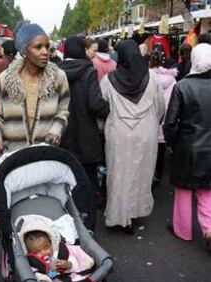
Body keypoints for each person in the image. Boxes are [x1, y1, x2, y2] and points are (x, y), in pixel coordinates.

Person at [100, 40, 165, 233]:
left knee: (119, 175)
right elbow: (160, 106)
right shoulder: (152, 78)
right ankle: (135, 212)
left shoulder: (108, 80)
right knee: (141, 175)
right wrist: (153, 124)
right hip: (146, 132)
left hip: (118, 133)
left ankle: (121, 216)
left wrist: (105, 128)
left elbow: (102, 108)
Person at [0, 23, 69, 154]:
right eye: (38, 47)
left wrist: (56, 132)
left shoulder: (58, 77)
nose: (45, 52)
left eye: (47, 46)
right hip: (13, 156)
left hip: (46, 155)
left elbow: (62, 112)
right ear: (24, 51)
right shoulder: (6, 79)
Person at [58, 36, 110, 231]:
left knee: (64, 182)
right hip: (87, 137)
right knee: (87, 183)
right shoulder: (88, 71)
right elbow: (96, 104)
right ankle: (87, 225)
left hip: (62, 135)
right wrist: (109, 110)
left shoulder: (55, 72)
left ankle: (66, 226)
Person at [163, 43, 211, 251]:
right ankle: (209, 229)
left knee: (183, 191)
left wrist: (173, 143)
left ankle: (182, 230)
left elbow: (170, 122)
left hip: (187, 147)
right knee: (207, 191)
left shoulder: (182, 86)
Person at [19, 216, 101, 282]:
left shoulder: (59, 252)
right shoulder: (32, 263)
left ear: (51, 243)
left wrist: (68, 264)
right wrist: (50, 271)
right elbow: (37, 279)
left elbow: (76, 263)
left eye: (46, 247)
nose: (43, 252)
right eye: (37, 252)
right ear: (29, 253)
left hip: (71, 281)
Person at [150, 48, 177, 187]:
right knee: (161, 148)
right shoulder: (172, 79)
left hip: (151, 116)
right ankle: (159, 175)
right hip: (166, 115)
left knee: (149, 147)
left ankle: (149, 172)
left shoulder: (148, 77)